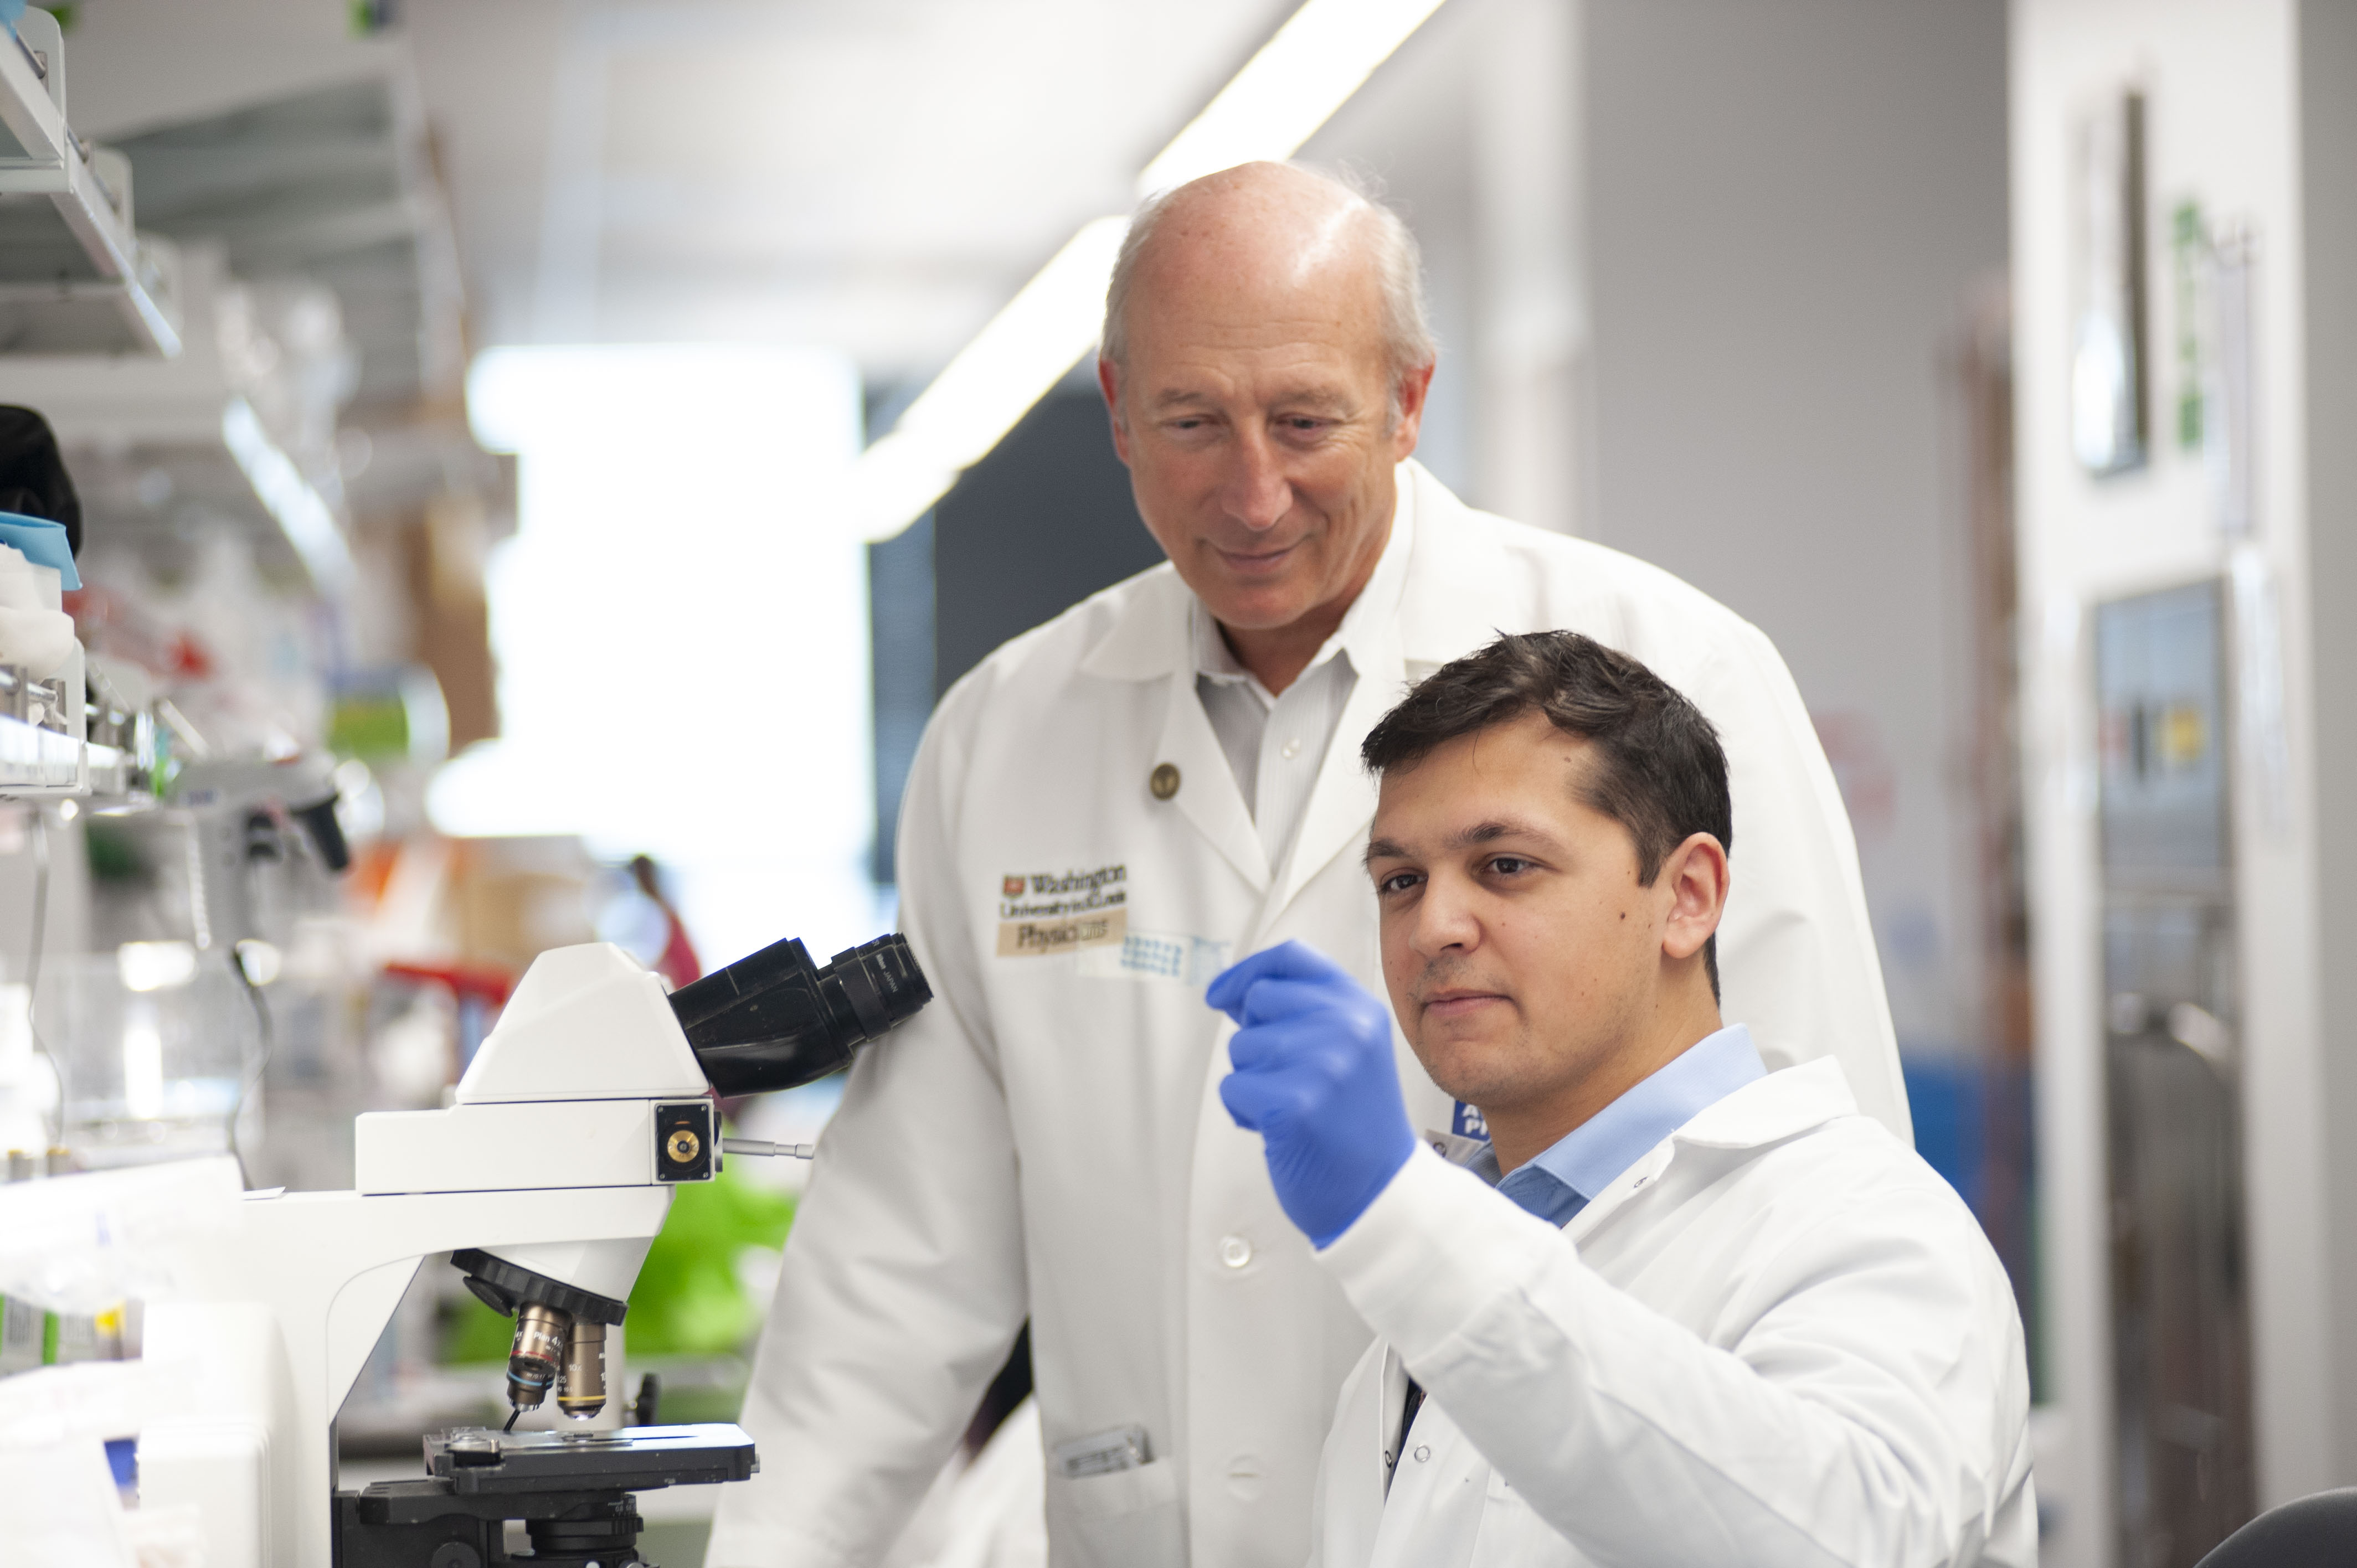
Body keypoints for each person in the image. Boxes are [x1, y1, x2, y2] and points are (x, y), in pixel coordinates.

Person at [706, 161, 1907, 1568]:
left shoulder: (1674, 672)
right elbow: (901, 1258)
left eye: (1303, 421)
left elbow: (1816, 1185)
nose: (1253, 492)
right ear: (1117, 412)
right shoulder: (1007, 735)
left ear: (1407, 400)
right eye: (1192, 423)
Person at [1211, 631, 2032, 1566]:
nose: (1433, 927)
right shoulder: (1433, 1293)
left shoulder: (1865, 1228)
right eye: (1401, 881)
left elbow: (1845, 1543)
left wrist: (1397, 1220)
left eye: (1505, 865)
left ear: (1687, 896)